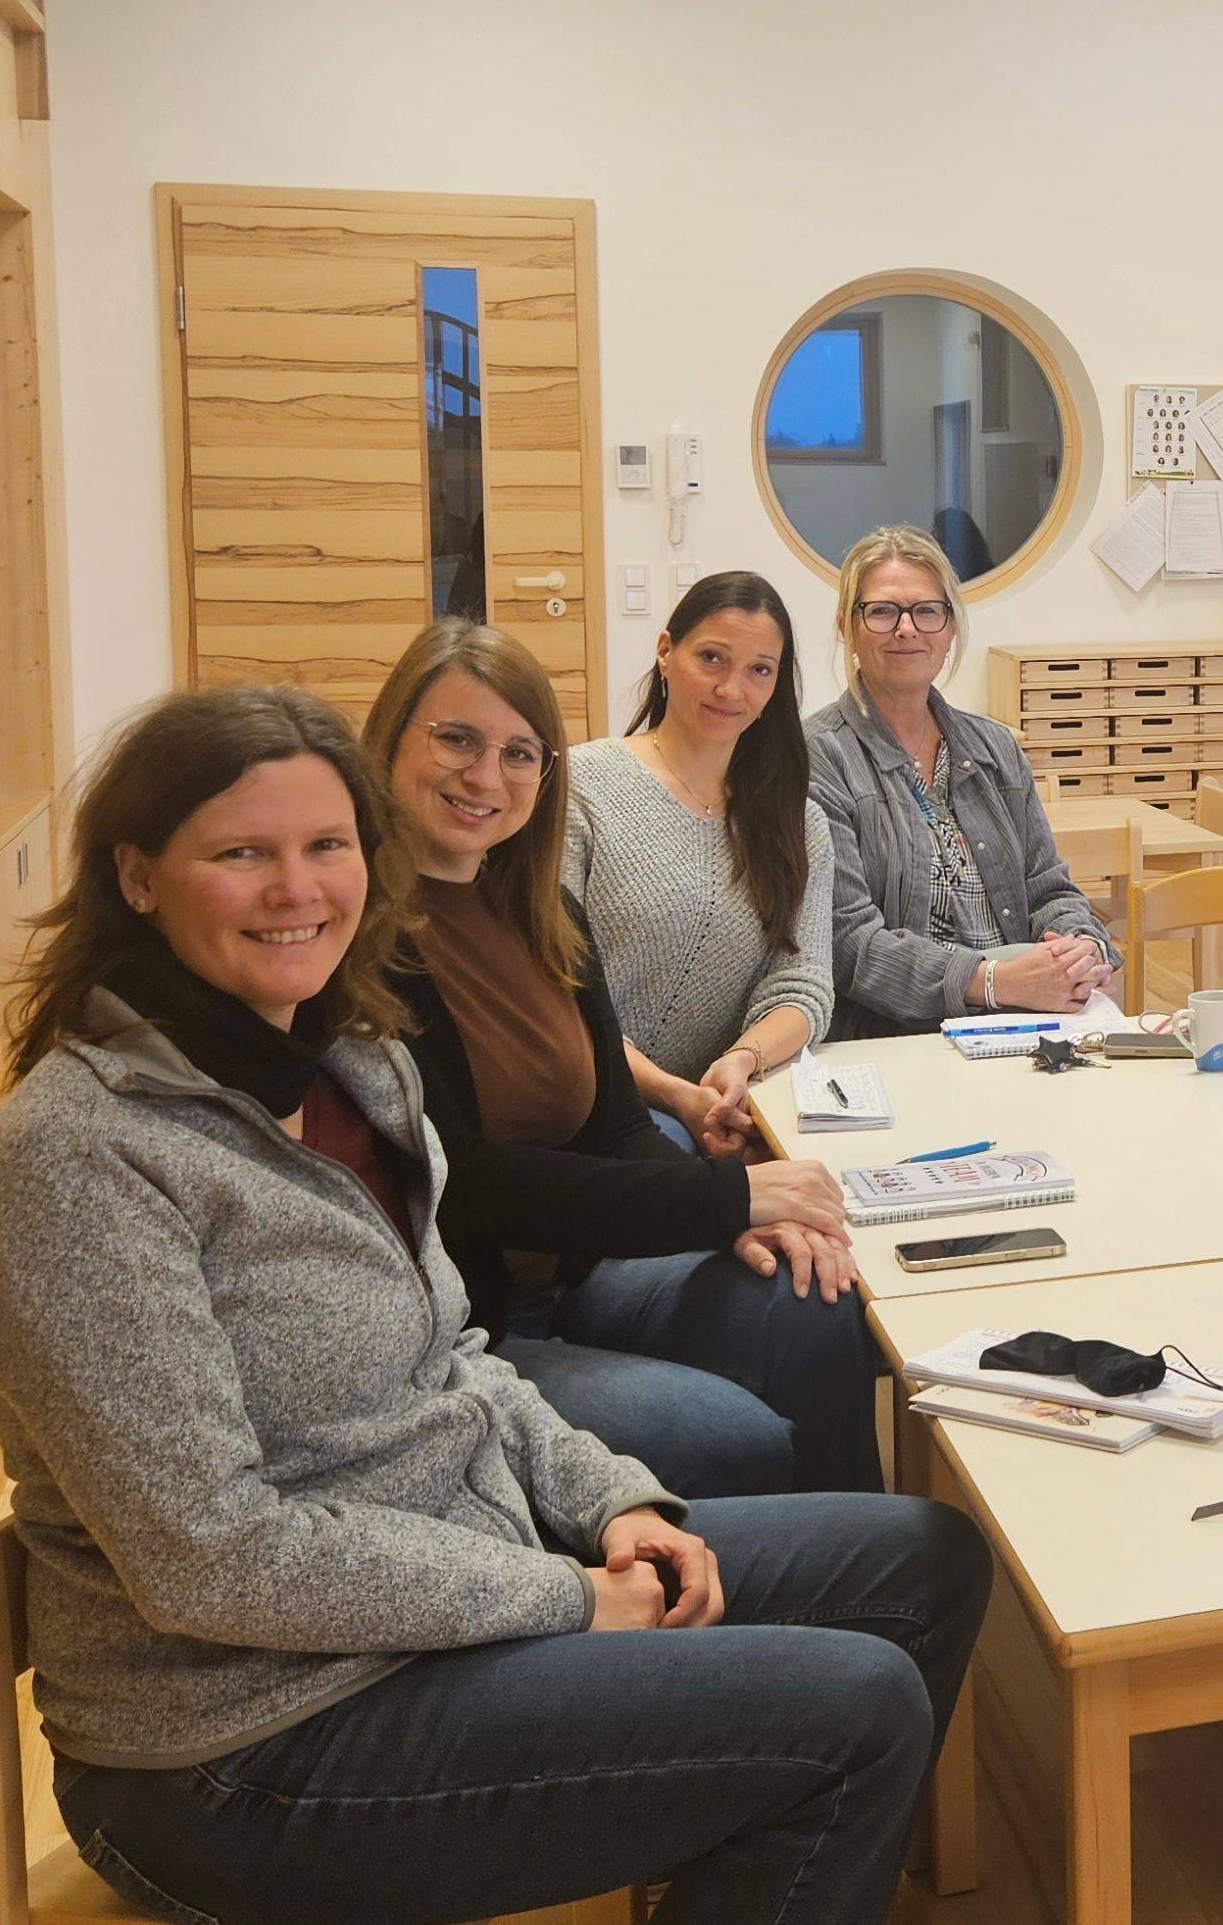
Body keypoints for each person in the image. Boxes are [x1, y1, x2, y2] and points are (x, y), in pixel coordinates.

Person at [0, 683, 988, 1925]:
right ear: (136, 876)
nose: (298, 888)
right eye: (242, 853)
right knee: (852, 1711)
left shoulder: (353, 1065)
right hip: (242, 1751)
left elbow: (456, 1361)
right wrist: (566, 1601)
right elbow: (211, 1556)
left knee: (918, 1562)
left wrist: (610, 1504)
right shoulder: (81, 1154)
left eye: (327, 846)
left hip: (434, 1602)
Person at [368, 621, 883, 1495]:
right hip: (481, 1328)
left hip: (581, 1272)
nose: (486, 776)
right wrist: (727, 1195)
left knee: (818, 1297)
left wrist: (734, 1216)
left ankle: (860, 1562)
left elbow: (613, 1122)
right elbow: (469, 1184)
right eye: (456, 739)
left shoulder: (540, 912)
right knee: (738, 1439)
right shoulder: (367, 935)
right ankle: (761, 1584)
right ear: (390, 739)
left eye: (520, 753)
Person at [806, 525, 1117, 1037]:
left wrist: (1082, 946)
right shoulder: (818, 758)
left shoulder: (994, 749)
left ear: (950, 630)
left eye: (928, 611)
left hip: (1027, 1021)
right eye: (883, 611)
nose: (907, 629)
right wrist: (991, 981)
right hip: (898, 1037)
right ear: (847, 625)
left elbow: (1048, 889)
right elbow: (848, 941)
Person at [565, 572, 835, 1155]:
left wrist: (741, 1061)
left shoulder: (796, 819)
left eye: (759, 670)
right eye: (712, 658)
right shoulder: (580, 785)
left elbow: (804, 982)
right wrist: (675, 1096)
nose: (731, 689)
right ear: (666, 652)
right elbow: (553, 988)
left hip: (729, 1102)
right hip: (590, 1097)